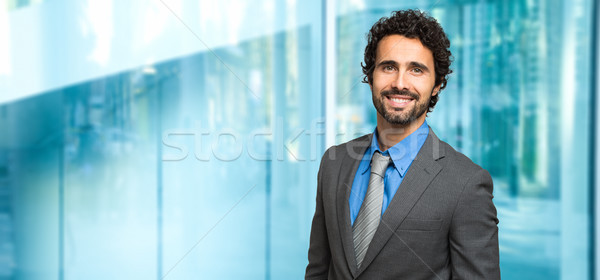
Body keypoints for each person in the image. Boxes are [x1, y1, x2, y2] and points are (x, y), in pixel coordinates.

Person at [305, 9, 500, 279]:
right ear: (371, 76)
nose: (399, 83)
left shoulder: (466, 184)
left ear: (437, 85)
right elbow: (318, 270)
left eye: (416, 70)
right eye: (388, 67)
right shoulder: (334, 163)